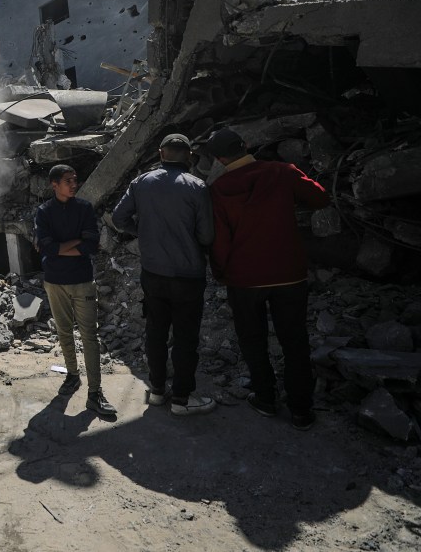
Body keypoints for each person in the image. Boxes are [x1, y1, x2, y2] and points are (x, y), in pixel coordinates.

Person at [206, 128, 330, 431]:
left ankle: (265, 398)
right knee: (295, 341)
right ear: (246, 145)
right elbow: (320, 198)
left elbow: (219, 240)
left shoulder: (219, 189)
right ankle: (301, 409)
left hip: (244, 278)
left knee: (252, 340)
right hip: (288, 274)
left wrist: (221, 271)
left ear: (219, 159)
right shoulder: (282, 172)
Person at [112, 134, 217, 416]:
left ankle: (157, 390)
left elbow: (118, 218)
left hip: (154, 274)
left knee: (155, 332)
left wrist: (142, 231)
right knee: (185, 337)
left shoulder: (142, 182)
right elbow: (207, 235)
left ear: (160, 154)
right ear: (189, 157)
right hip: (188, 276)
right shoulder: (197, 187)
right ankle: (182, 399)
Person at [34, 164, 116, 416]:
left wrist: (59, 248)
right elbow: (46, 248)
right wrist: (73, 244)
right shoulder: (44, 212)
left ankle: (95, 392)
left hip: (82, 280)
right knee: (64, 331)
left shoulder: (84, 208)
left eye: (75, 179)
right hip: (55, 280)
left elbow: (91, 246)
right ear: (54, 185)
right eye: (67, 181)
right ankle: (72, 374)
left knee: (89, 335)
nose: (73, 184)